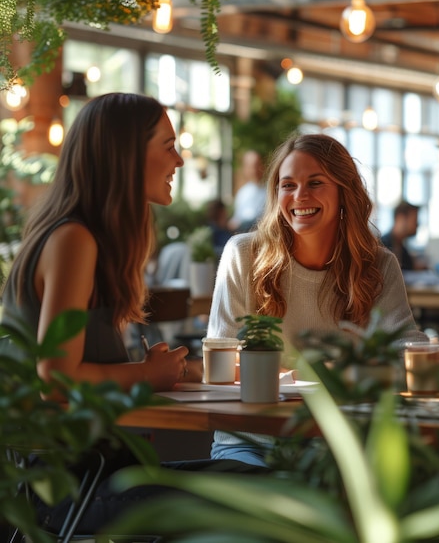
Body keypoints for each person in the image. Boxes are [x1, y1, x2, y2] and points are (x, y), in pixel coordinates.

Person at [0, 93, 264, 536]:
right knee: (267, 497)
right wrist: (145, 375)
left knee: (257, 482)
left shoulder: (82, 238)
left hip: (91, 478)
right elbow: (55, 381)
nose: (179, 160)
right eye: (168, 145)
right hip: (69, 493)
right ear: (124, 154)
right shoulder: (73, 240)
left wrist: (167, 370)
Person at [208, 133, 426, 465]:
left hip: (338, 443)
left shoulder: (378, 265)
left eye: (315, 183)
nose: (300, 196)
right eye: (288, 185)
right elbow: (220, 361)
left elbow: (408, 349)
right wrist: (323, 378)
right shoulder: (243, 254)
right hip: (250, 440)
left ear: (344, 192)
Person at [228, 149, 267, 233]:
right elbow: (237, 217)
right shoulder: (242, 193)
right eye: (250, 166)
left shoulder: (271, 190)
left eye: (256, 165)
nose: (254, 170)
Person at [380, 201, 423, 270]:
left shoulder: (401, 247)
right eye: (415, 220)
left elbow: (409, 268)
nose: (417, 225)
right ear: (400, 218)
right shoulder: (383, 245)